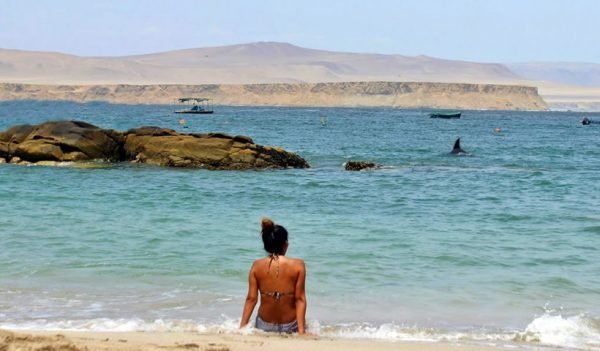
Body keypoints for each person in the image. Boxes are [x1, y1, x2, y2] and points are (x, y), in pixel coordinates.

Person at [240, 218, 307, 334]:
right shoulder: (298, 265)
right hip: (290, 325)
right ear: (285, 244)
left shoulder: (256, 266)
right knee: (306, 324)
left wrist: (242, 328)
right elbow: (300, 299)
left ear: (266, 245)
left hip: (264, 325)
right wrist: (301, 331)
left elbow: (251, 299)